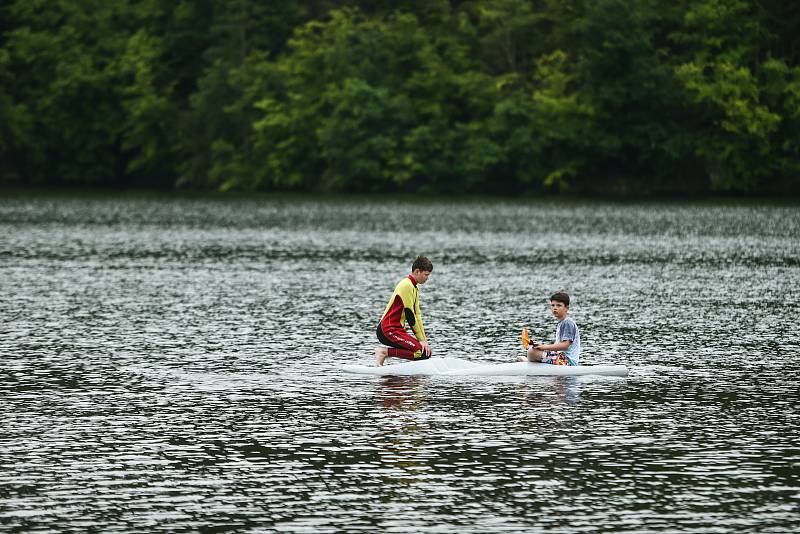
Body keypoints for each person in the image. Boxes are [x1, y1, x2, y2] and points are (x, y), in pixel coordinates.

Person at [375, 256, 433, 366]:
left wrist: (424, 340)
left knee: (425, 353)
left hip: (396, 330)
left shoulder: (414, 287)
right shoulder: (406, 285)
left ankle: (383, 358)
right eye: (426, 275)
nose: (427, 278)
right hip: (388, 330)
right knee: (421, 352)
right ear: (417, 271)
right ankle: (383, 352)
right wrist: (421, 340)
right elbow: (410, 315)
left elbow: (417, 315)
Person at [521, 292, 581, 366]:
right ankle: (530, 361)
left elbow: (565, 345)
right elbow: (558, 347)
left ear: (567, 308)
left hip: (567, 361)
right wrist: (540, 346)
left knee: (532, 352)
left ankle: (528, 361)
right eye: (553, 305)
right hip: (561, 357)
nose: (555, 308)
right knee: (533, 350)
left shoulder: (567, 323)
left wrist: (544, 347)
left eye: (559, 305)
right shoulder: (561, 323)